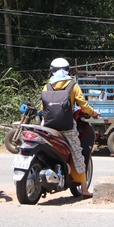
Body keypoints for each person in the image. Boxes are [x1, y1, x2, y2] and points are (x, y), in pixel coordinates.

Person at [42, 58, 99, 199]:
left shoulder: (47, 86)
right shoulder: (72, 86)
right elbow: (83, 105)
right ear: (68, 70)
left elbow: (43, 108)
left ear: (51, 70)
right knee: (77, 154)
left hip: (48, 126)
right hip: (67, 127)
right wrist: (94, 112)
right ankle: (84, 189)